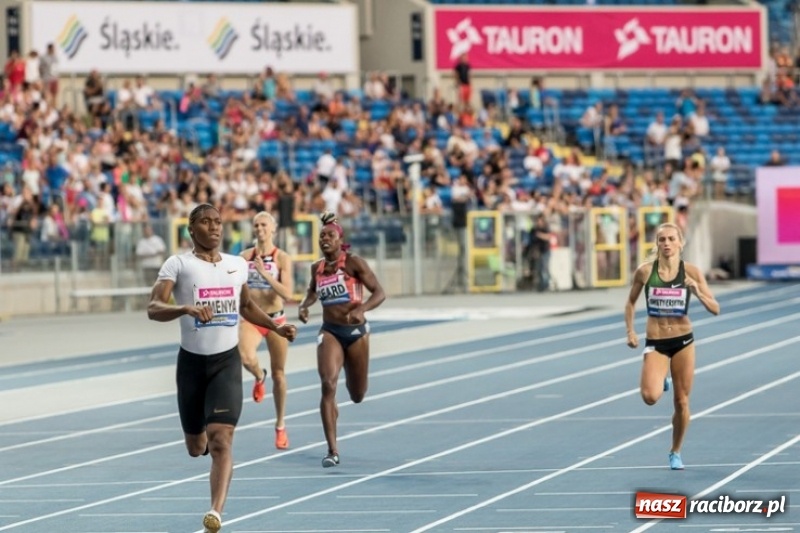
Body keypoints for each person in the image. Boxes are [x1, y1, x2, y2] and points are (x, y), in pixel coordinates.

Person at [147, 203, 297, 533]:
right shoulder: (179, 264)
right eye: (206, 222)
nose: (214, 227)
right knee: (197, 447)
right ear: (191, 229)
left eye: (218, 222)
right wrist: (185, 308)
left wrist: (275, 326)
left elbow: (245, 306)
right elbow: (154, 307)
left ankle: (215, 512)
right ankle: (200, 443)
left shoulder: (236, 265)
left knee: (221, 441)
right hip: (191, 365)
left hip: (226, 363)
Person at [624, 222, 720, 471]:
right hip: (656, 342)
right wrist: (630, 331)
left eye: (670, 239)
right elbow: (630, 303)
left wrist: (697, 290)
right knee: (650, 397)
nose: (666, 243)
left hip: (683, 341)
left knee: (682, 401)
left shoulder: (692, 272)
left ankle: (675, 451)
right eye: (661, 239)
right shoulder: (645, 272)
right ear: (657, 244)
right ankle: (661, 379)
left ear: (680, 243)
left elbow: (715, 309)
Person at [297, 211, 386, 468]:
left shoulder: (354, 263)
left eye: (330, 235)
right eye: (321, 236)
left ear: (339, 240)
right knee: (328, 384)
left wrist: (362, 309)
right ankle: (332, 450)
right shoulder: (317, 268)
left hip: (356, 333)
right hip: (330, 331)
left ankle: (340, 405)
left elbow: (380, 292)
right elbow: (312, 293)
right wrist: (304, 306)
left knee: (357, 394)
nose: (325, 239)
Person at [238, 211, 294, 450]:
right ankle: (259, 376)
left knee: (279, 374)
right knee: (245, 357)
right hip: (252, 318)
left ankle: (280, 424)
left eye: (263, 224)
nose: (259, 228)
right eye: (256, 225)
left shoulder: (282, 258)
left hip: (276, 320)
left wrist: (264, 274)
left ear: (273, 228)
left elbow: (288, 293)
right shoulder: (243, 257)